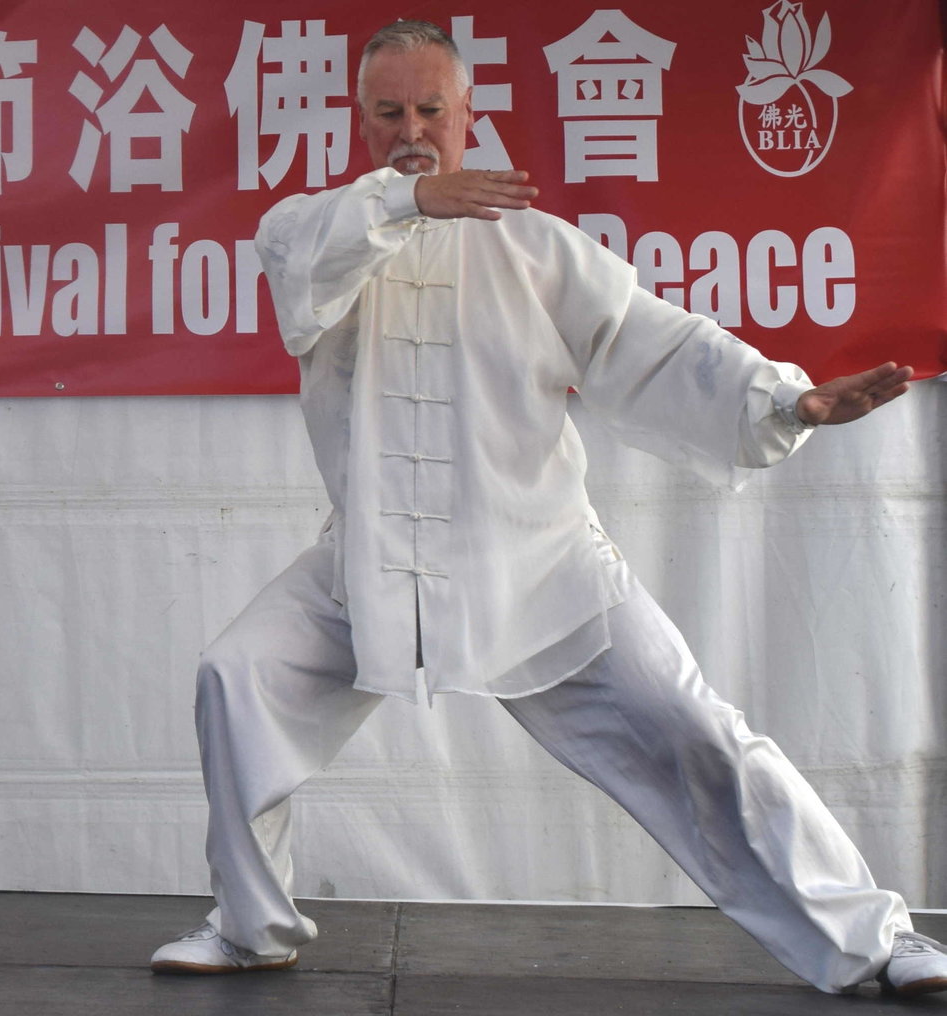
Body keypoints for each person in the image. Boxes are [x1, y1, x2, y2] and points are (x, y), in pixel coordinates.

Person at [146, 19, 937, 995]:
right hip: (369, 562)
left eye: (431, 109)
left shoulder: (536, 250)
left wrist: (783, 398)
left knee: (701, 736)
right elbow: (306, 267)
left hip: (544, 564)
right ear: (357, 120)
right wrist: (407, 199)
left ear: (467, 113)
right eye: (388, 111)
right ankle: (248, 920)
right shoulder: (312, 231)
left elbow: (654, 343)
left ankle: (874, 933)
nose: (411, 128)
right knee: (238, 673)